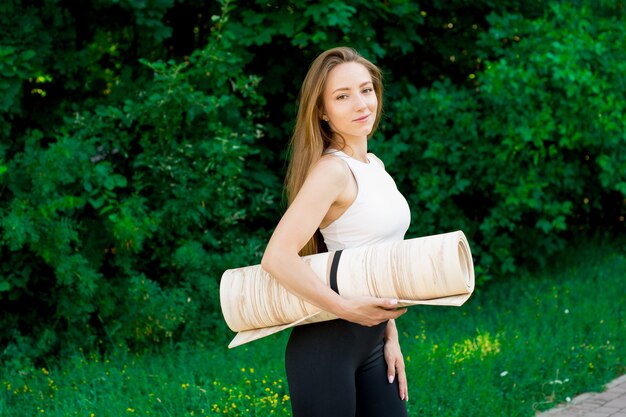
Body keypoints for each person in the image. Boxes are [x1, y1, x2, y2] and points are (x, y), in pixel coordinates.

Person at [261, 46, 411, 417]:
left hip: (374, 342)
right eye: (342, 96)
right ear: (323, 113)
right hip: (326, 348)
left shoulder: (374, 165)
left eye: (366, 90)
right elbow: (277, 256)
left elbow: (381, 260)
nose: (361, 104)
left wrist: (391, 336)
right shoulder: (333, 172)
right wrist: (346, 309)